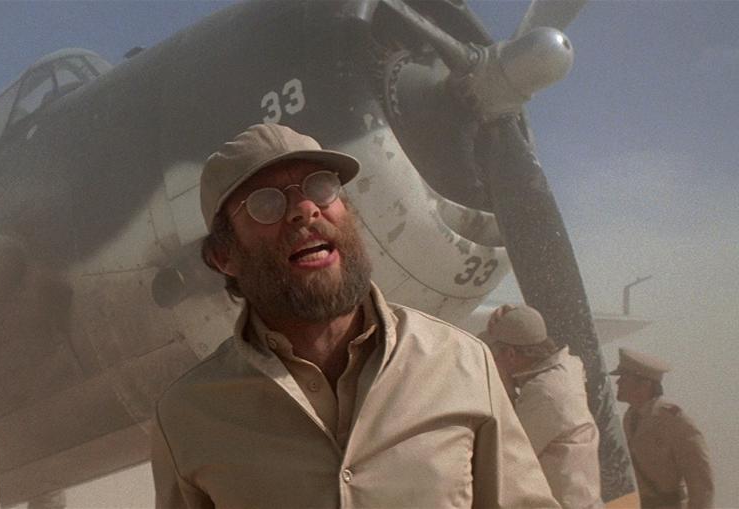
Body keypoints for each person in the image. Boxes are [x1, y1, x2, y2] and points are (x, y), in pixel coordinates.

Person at [150, 123, 557, 508]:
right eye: (265, 203)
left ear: (349, 210)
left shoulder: (463, 363)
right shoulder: (186, 416)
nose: (305, 209)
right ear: (223, 257)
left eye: (321, 187)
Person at [482, 304, 601, 509]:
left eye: (496, 354)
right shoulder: (567, 368)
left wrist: (505, 390)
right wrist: (518, 319)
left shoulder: (545, 393)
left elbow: (504, 454)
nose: (494, 361)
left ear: (510, 354)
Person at [611, 348, 713, 509]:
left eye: (624, 378)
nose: (618, 383)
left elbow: (700, 480)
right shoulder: (631, 417)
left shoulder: (673, 420)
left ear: (644, 384)